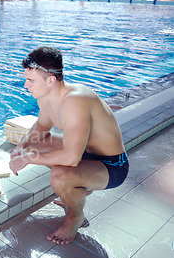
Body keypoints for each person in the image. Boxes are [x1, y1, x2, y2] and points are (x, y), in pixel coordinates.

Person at [9, 46, 128, 245]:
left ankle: (75, 216)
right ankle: (78, 188)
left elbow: (71, 158)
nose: (25, 85)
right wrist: (21, 148)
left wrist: (28, 158)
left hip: (112, 166)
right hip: (85, 154)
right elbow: (42, 126)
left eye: (30, 80)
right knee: (36, 145)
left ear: (50, 80)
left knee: (60, 175)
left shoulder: (76, 100)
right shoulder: (46, 98)